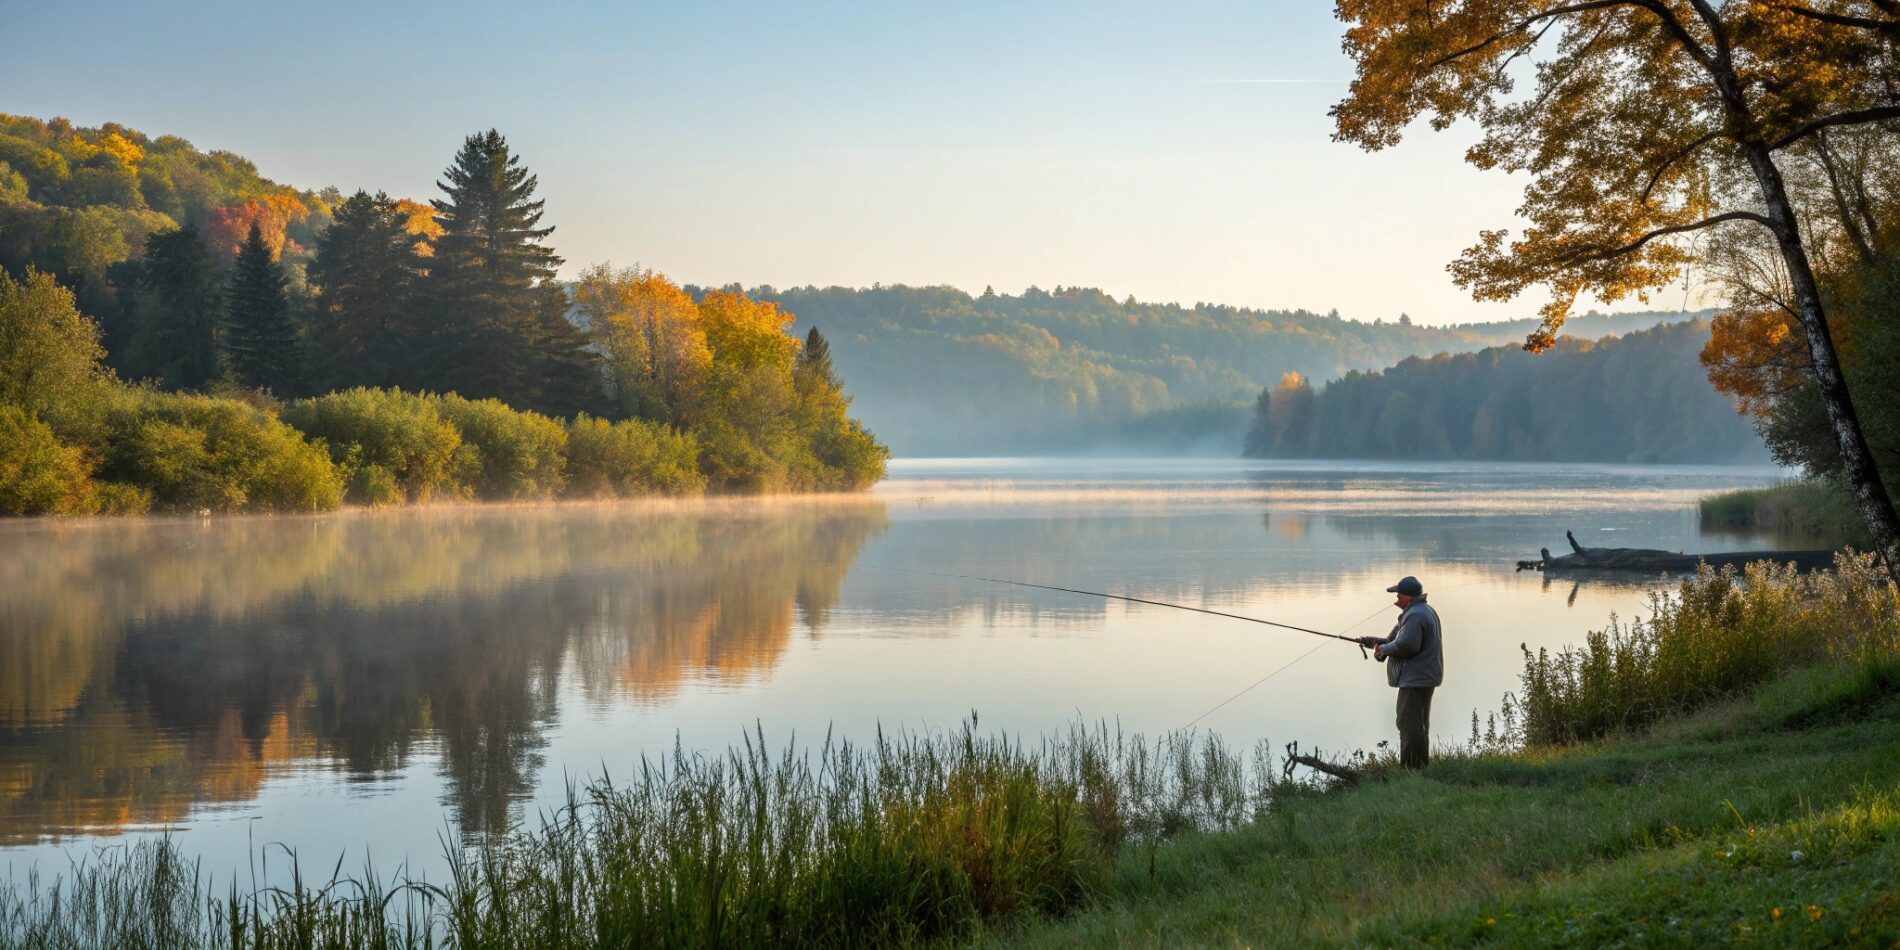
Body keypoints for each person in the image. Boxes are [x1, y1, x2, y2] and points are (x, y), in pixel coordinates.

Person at [1357, 576, 1442, 769]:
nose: (1396, 597)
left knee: (1409, 724)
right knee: (1417, 725)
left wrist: (1384, 650)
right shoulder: (1421, 611)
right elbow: (1395, 640)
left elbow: (1407, 645)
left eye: (1399, 594)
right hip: (1423, 678)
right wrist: (1371, 642)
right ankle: (1419, 768)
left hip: (1416, 680)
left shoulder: (1415, 615)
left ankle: (1411, 770)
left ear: (1408, 597)